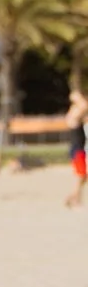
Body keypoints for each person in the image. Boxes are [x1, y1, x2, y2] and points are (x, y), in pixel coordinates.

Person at [66, 84, 87, 212]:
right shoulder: (72, 117)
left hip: (80, 149)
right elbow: (84, 106)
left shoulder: (75, 117)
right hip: (77, 149)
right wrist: (77, 96)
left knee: (84, 176)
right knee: (82, 174)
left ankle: (75, 197)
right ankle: (74, 198)